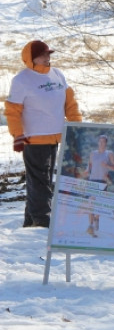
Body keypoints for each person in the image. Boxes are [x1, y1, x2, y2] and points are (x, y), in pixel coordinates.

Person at [6, 40, 82, 228]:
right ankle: (42, 221)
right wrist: (17, 135)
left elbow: (70, 104)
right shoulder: (22, 80)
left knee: (42, 180)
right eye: (43, 54)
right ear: (31, 58)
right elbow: (12, 111)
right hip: (34, 138)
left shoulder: (57, 74)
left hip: (56, 136)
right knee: (40, 182)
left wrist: (77, 127)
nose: (47, 57)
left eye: (49, 54)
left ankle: (30, 221)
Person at [84, 134, 114, 237]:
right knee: (91, 203)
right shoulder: (93, 153)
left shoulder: (109, 154)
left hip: (102, 182)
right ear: (98, 142)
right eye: (100, 141)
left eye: (104, 142)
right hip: (92, 180)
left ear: (106, 143)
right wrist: (86, 170)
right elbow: (89, 164)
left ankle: (96, 218)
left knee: (99, 205)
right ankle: (90, 226)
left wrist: (107, 165)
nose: (101, 143)